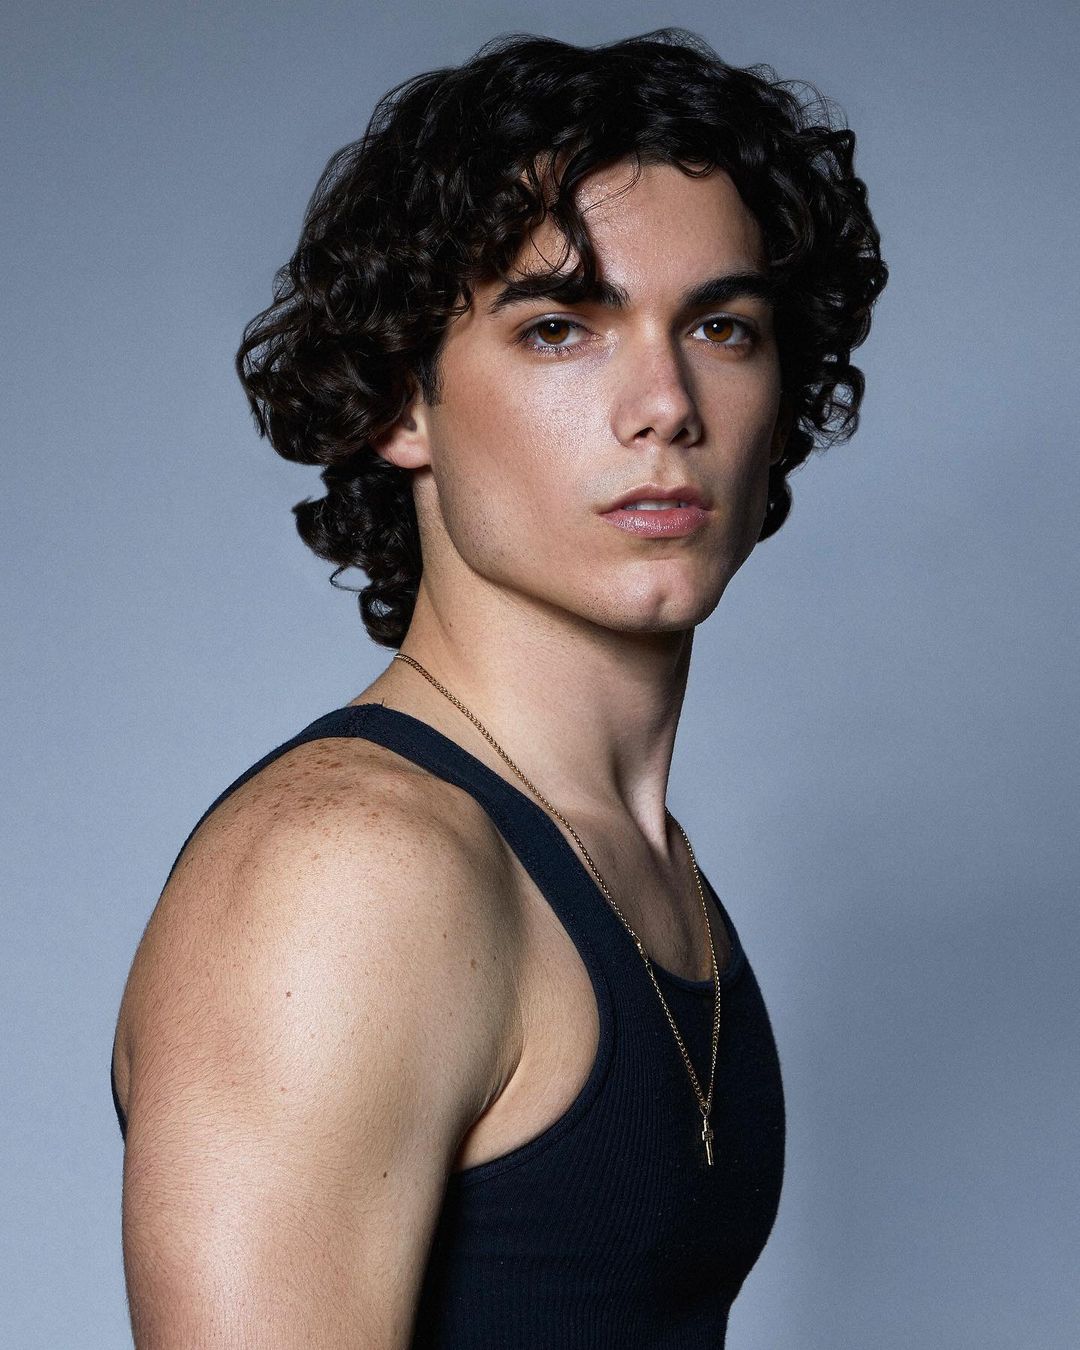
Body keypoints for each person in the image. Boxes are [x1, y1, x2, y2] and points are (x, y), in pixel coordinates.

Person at [109, 27, 887, 1347]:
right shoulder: (348, 868)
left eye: (721, 325)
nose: (665, 403)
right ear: (400, 403)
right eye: (559, 328)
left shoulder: (642, 859)